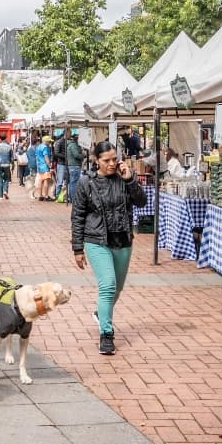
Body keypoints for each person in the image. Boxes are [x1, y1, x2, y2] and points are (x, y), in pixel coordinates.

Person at [71, 141, 147, 356]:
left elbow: (142, 202)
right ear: (97, 161)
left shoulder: (125, 179)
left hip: (123, 240)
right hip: (97, 240)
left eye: (115, 159)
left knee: (117, 288)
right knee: (108, 286)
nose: (112, 163)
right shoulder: (87, 182)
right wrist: (78, 248)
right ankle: (106, 335)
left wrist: (130, 180)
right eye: (107, 160)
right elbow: (77, 216)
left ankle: (101, 313)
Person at [0, 132, 13, 201]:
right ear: (6, 137)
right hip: (7, 164)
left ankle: (0, 196)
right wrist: (12, 164)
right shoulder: (9, 146)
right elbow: (11, 157)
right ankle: (5, 190)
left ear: (0, 138)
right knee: (7, 178)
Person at [66, 131, 84, 204]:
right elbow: (76, 155)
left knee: (72, 182)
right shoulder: (73, 145)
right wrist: (83, 155)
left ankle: (72, 198)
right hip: (74, 166)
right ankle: (73, 199)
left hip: (72, 166)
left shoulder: (71, 145)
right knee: (74, 183)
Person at [35, 134, 54, 201]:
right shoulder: (45, 147)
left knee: (41, 181)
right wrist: (49, 165)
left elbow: (37, 157)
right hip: (45, 166)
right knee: (46, 181)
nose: (49, 143)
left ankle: (40, 195)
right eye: (49, 141)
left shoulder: (38, 147)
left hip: (39, 166)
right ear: (46, 141)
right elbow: (46, 157)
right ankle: (46, 195)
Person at [53, 130, 68, 201]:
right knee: (60, 180)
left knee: (66, 180)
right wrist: (65, 156)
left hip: (66, 163)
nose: (71, 134)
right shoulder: (59, 142)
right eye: (70, 133)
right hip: (61, 163)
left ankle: (64, 196)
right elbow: (56, 153)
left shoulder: (67, 141)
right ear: (66, 133)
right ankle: (57, 195)